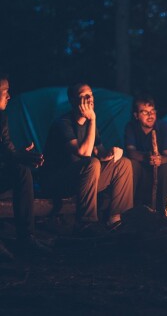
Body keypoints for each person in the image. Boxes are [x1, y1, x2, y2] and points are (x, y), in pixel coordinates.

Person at [41, 83, 133, 236]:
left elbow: (99, 151)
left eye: (90, 94)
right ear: (73, 101)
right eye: (83, 96)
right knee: (92, 162)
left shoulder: (91, 125)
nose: (89, 99)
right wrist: (92, 119)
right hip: (59, 181)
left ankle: (116, 219)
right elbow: (83, 152)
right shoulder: (63, 124)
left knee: (123, 164)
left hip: (84, 180)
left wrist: (112, 152)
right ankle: (87, 223)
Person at [0, 73, 49, 259]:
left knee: (21, 171)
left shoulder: (1, 118)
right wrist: (17, 155)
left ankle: (26, 238)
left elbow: (7, 149)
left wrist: (22, 156)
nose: (9, 96)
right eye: (5, 92)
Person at [125, 95, 167, 211]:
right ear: (136, 115)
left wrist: (160, 159)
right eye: (144, 112)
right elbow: (130, 152)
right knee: (130, 165)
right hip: (141, 172)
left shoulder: (165, 127)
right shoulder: (131, 127)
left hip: (159, 171)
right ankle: (127, 210)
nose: (150, 115)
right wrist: (146, 157)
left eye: (152, 111)